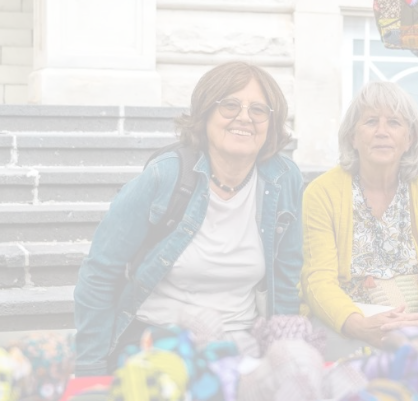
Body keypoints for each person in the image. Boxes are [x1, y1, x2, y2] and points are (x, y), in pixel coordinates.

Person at [74, 62, 304, 376]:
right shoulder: (165, 176)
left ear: (271, 124)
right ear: (205, 114)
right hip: (158, 345)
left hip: (242, 348)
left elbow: (286, 279)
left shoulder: (283, 179)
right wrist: (91, 368)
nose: (245, 117)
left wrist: (282, 357)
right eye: (230, 105)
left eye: (259, 110)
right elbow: (100, 272)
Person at [301, 81, 418, 356]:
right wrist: (359, 325)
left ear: (409, 139)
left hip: (417, 335)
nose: (382, 132)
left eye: (394, 123)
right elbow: (318, 280)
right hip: (347, 333)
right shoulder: (321, 194)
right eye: (371, 121)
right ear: (353, 137)